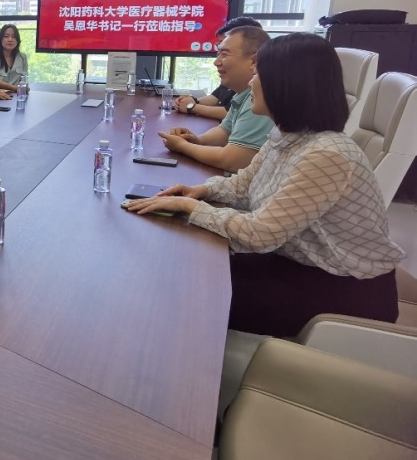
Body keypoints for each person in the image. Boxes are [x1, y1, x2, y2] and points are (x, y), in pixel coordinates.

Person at [127, 33, 403, 337]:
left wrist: (189, 206)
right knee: (178, 268)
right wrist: (201, 191)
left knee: (180, 293)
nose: (251, 82)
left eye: (258, 74)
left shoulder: (326, 154)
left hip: (342, 290)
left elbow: (259, 235)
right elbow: (244, 184)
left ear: (286, 83)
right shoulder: (288, 136)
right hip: (295, 263)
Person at [159, 26, 274, 173]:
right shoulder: (243, 93)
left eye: (224, 55)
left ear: (254, 61)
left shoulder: (261, 99)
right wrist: (196, 140)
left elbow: (233, 161)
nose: (216, 62)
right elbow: (225, 131)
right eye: (218, 54)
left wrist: (183, 146)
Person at [174, 16, 262, 120]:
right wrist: (193, 101)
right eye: (219, 46)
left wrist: (192, 107)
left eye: (225, 50)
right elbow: (217, 97)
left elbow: (229, 113)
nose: (216, 62)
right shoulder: (234, 78)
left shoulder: (257, 86)